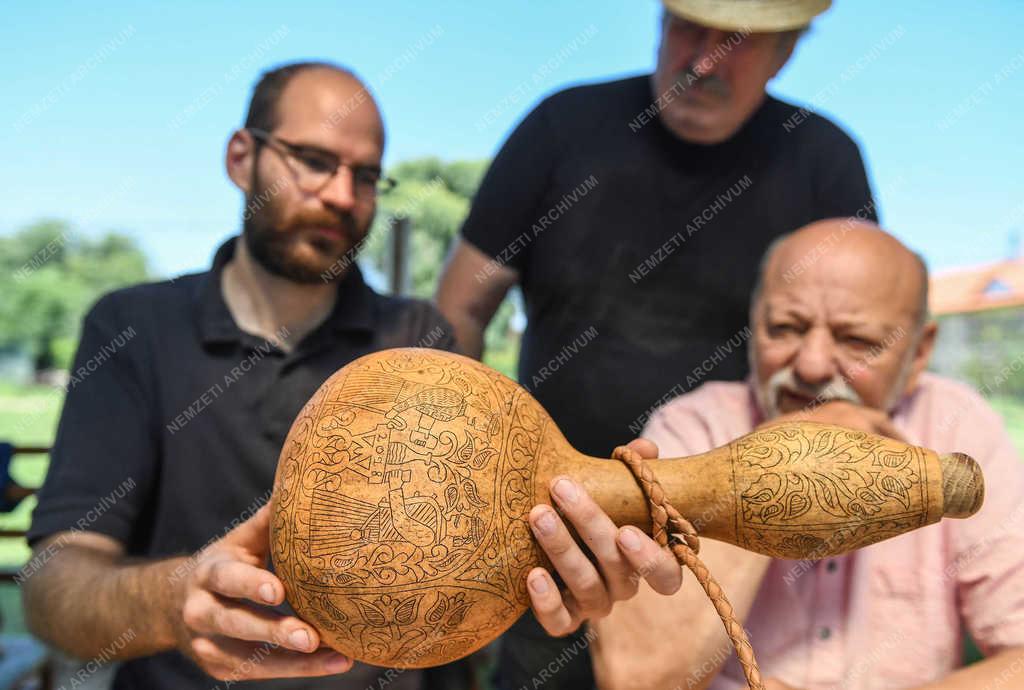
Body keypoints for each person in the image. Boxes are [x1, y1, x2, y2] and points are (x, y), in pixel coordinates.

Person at [21, 62, 682, 690]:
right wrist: (175, 598)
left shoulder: (421, 341)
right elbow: (54, 590)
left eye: (366, 176)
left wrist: (561, 567)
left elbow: (490, 540)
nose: (341, 194)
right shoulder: (135, 329)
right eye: (312, 161)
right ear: (241, 157)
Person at [437, 1, 877, 686]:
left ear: (787, 50)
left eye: (736, 41)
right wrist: (455, 480)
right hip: (547, 535)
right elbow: (460, 309)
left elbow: (861, 343)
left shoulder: (824, 163)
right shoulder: (562, 128)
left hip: (724, 557)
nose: (703, 61)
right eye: (687, 29)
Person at [591, 220, 1024, 690]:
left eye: (856, 341)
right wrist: (778, 459)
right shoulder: (694, 426)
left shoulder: (958, 425)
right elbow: (639, 679)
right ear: (754, 328)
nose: (812, 366)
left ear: (919, 353)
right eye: (785, 329)